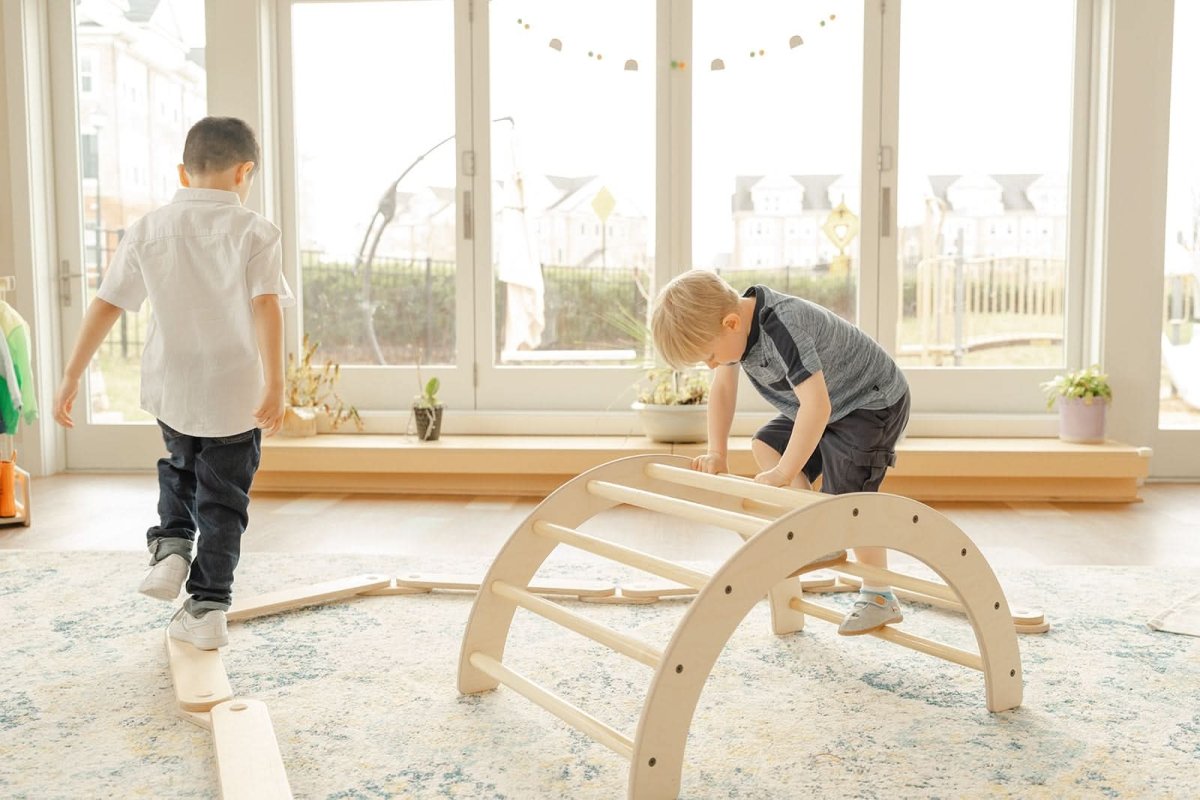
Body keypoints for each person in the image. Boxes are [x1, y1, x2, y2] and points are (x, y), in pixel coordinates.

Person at [52, 116, 293, 650]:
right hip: (236, 397)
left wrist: (72, 374)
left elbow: (107, 304)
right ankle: (207, 608)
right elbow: (266, 307)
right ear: (244, 171)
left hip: (173, 388)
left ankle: (172, 547)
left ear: (184, 173)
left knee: (179, 468)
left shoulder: (148, 228)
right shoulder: (256, 231)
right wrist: (276, 383)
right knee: (224, 501)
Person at [651, 269, 911, 635]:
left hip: (870, 401)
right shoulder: (731, 327)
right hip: (825, 404)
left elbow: (816, 407)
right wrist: (716, 452)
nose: (712, 365)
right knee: (766, 444)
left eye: (709, 356)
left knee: (848, 501)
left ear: (730, 323)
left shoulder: (782, 325)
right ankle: (815, 532)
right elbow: (723, 392)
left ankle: (879, 595)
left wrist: (785, 474)